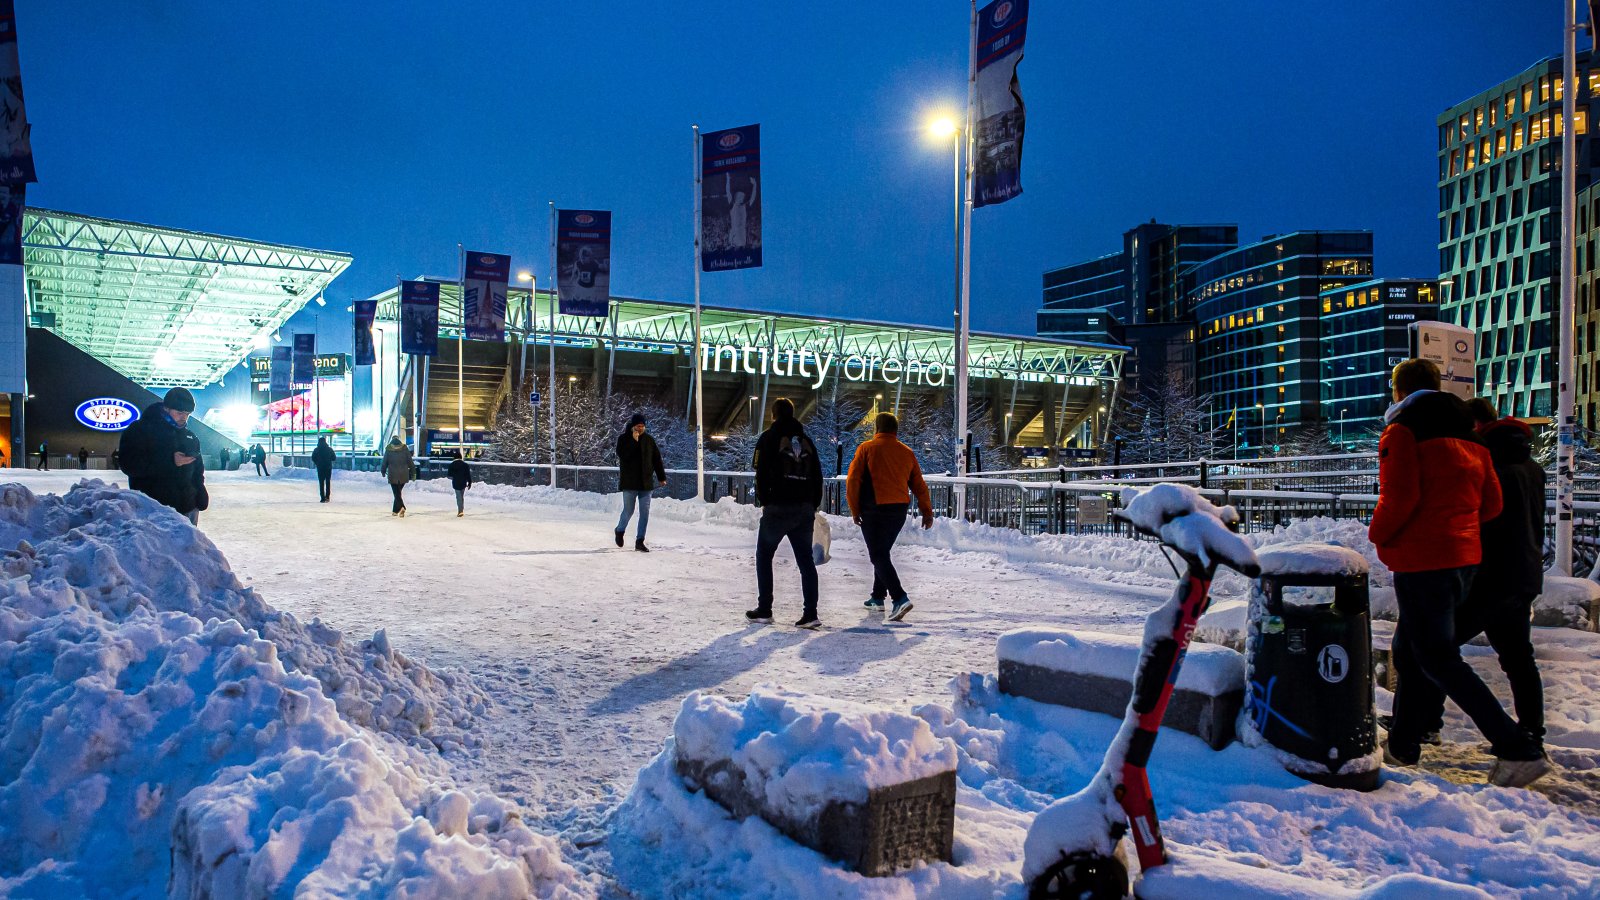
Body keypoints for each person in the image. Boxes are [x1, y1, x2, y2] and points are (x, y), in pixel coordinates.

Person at [1373, 359, 1548, 788]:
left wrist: (1378, 534)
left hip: (1422, 560)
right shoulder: (1472, 439)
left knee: (1438, 658)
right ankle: (1404, 742)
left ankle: (1516, 746)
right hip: (1463, 559)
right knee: (1412, 648)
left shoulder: (1403, 432)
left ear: (1399, 392)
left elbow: (1398, 498)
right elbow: (1491, 505)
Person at [1406, 398, 1546, 751]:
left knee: (1438, 651)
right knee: (1518, 658)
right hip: (1524, 574)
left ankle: (1426, 725)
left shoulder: (1487, 464)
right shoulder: (1531, 466)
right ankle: (1532, 731)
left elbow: (1484, 518)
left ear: (1477, 426)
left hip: (1489, 578)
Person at [846, 412, 933, 622]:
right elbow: (919, 485)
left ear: (877, 428)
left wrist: (854, 509)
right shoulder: (906, 452)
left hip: (873, 509)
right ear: (895, 430)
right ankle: (877, 597)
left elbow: (853, 481)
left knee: (877, 556)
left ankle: (899, 598)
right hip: (898, 511)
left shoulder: (866, 448)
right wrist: (927, 511)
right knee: (882, 552)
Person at [746, 398, 825, 629]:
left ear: (774, 415)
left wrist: (765, 500)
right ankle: (810, 613)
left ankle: (765, 609)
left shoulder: (768, 438)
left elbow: (759, 472)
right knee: (805, 561)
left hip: (778, 508)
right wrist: (813, 504)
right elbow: (818, 475)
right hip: (804, 509)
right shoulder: (807, 440)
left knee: (764, 556)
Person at [117, 387, 206, 523]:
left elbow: (198, 470)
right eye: (180, 412)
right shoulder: (140, 430)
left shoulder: (190, 436)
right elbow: (129, 464)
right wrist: (170, 461)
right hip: (154, 511)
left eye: (187, 413)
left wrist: (200, 493)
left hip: (188, 508)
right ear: (166, 408)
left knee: (189, 545)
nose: (184, 417)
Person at [614, 413, 667, 551]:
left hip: (646, 483)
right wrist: (633, 441)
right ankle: (620, 530)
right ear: (633, 426)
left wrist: (661, 477)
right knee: (628, 511)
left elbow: (656, 459)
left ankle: (640, 540)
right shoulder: (623, 439)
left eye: (643, 426)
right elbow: (623, 456)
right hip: (629, 483)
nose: (641, 428)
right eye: (638, 426)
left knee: (645, 512)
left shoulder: (649, 440)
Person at [380, 436, 413, 517]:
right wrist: (413, 471)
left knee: (396, 492)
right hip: (404, 474)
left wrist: (383, 471)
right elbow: (410, 461)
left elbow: (384, 462)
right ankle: (395, 511)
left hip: (393, 474)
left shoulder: (388, 449)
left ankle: (402, 507)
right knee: (398, 492)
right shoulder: (405, 449)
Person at [448, 449, 474, 517]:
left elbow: (449, 474)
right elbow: (468, 474)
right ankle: (461, 509)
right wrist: (469, 482)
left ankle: (460, 511)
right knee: (461, 496)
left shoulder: (452, 465)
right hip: (463, 482)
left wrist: (454, 476)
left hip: (456, 482)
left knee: (458, 496)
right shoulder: (465, 465)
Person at [311, 436, 336, 503]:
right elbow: (334, 458)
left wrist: (317, 463)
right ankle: (327, 497)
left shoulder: (316, 449)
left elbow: (313, 458)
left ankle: (322, 497)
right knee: (328, 482)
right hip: (328, 468)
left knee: (321, 483)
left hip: (320, 468)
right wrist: (328, 460)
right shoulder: (329, 449)